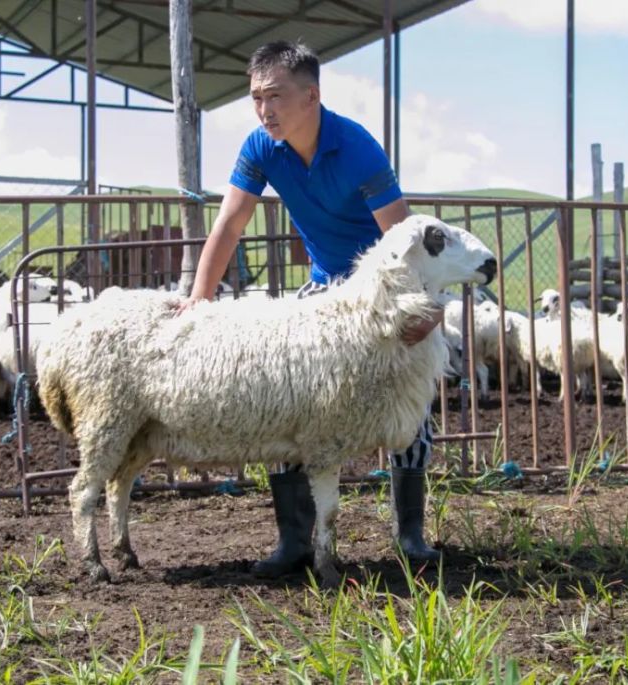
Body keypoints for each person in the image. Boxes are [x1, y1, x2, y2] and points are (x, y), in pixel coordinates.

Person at [179, 40, 442, 576]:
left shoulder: (359, 148)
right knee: (282, 394)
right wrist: (198, 302)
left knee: (411, 403)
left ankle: (411, 536)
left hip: (381, 294)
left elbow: (403, 237)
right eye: (256, 98)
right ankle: (295, 542)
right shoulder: (260, 147)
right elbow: (230, 224)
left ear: (311, 96)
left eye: (274, 96)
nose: (263, 110)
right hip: (323, 290)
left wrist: (426, 308)